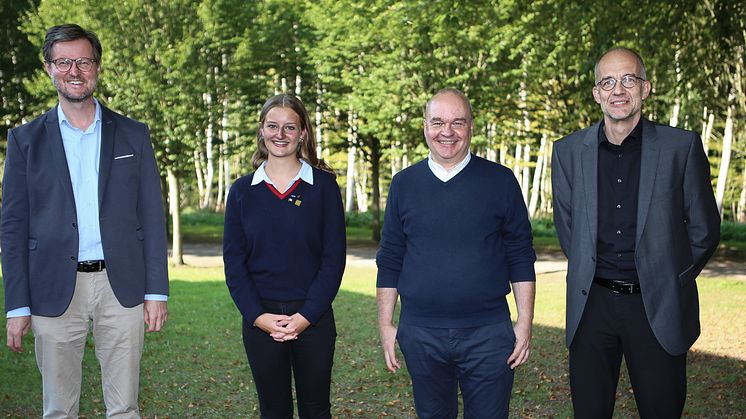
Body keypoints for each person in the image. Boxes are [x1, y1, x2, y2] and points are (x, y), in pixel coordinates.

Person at [2, 24, 169, 418]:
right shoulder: (25, 141)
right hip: (52, 288)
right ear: (48, 68)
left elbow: (151, 213)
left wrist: (157, 291)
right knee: (58, 409)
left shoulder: (133, 135)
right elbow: (13, 227)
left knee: (125, 407)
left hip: (122, 286)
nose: (74, 71)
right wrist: (17, 305)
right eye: (63, 62)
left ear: (97, 67)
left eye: (84, 61)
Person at [551, 46, 721, 418]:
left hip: (656, 306)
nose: (619, 90)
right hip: (591, 307)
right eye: (608, 81)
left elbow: (704, 230)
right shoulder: (567, 152)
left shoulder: (682, 147)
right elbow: (568, 229)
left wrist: (669, 276)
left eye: (629, 79)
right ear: (596, 93)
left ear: (646, 88)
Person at [376, 88, 537, 418]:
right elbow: (391, 257)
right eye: (437, 122)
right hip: (421, 333)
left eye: (457, 122)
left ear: (471, 127)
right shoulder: (403, 184)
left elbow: (520, 254)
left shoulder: (501, 181)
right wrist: (385, 324)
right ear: (424, 126)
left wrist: (524, 323)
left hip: (488, 334)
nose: (446, 132)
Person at [223, 93, 346, 419]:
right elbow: (234, 265)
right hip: (261, 320)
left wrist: (306, 316)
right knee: (273, 410)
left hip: (314, 320)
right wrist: (258, 317)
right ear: (261, 130)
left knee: (316, 409)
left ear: (303, 132)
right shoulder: (241, 192)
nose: (280, 134)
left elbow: (334, 260)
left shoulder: (324, 187)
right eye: (273, 126)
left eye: (289, 127)